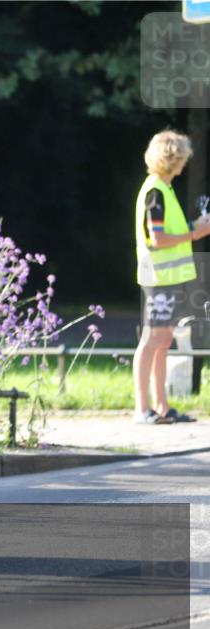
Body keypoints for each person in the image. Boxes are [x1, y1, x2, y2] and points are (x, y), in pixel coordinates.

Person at [133, 130, 210, 424]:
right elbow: (158, 239)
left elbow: (167, 231)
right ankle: (142, 409)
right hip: (158, 280)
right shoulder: (155, 191)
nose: (185, 161)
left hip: (168, 279)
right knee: (153, 339)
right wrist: (196, 232)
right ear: (175, 159)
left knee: (163, 340)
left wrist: (194, 224)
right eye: (182, 156)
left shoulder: (163, 189)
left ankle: (162, 407)